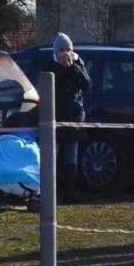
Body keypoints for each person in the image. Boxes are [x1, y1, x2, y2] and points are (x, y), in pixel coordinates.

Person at [44, 32, 91, 201]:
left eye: (68, 49)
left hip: (73, 116)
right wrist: (61, 67)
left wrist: (72, 67)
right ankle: (52, 192)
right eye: (61, 50)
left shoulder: (78, 63)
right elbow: (46, 84)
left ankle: (70, 192)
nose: (65, 53)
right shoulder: (49, 65)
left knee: (71, 154)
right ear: (55, 51)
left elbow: (86, 83)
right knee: (53, 155)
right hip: (54, 116)